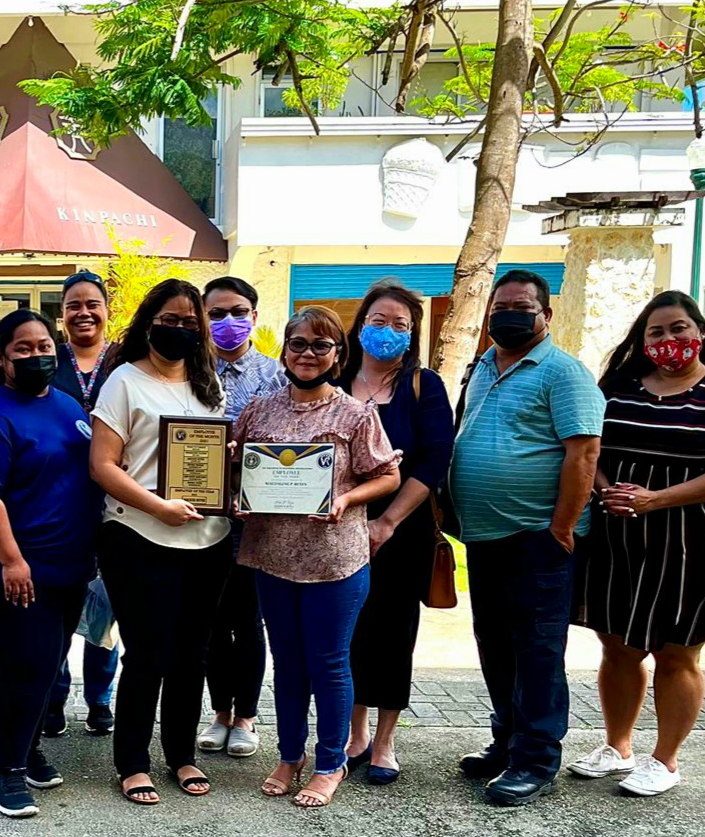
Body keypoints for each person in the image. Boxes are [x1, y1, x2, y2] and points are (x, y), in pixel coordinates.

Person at [568, 291, 705, 797]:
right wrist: (604, 488)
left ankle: (665, 758)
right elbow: (588, 447)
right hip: (619, 536)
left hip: (698, 540)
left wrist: (656, 499)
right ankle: (618, 746)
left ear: (699, 333)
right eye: (655, 332)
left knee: (676, 651)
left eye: (678, 329)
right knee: (618, 645)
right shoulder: (616, 389)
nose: (668, 340)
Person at [449, 269, 605, 806]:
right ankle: (507, 742)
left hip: (539, 539)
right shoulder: (484, 367)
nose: (507, 316)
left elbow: (583, 453)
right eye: (500, 308)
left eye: (521, 307)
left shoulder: (565, 373)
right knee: (495, 644)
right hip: (487, 538)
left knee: (537, 650)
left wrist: (562, 527)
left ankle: (536, 759)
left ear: (546, 315)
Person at [235, 306, 400, 808]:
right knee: (287, 664)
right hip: (271, 557)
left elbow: (387, 474)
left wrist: (348, 499)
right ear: (284, 349)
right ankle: (290, 755)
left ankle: (331, 761)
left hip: (335, 561)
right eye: (298, 344)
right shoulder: (260, 410)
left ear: (336, 354)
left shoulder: (355, 414)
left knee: (328, 663)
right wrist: (238, 492)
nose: (308, 354)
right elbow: (235, 464)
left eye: (320, 345)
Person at [0, 310, 101, 818]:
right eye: (23, 349)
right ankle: (6, 772)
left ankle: (29, 749)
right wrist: (12, 561)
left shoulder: (66, 404)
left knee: (48, 667)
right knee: (24, 668)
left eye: (43, 346)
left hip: (67, 567)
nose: (37, 356)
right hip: (10, 571)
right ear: (3, 357)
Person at [90, 278, 232, 804]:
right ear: (149, 322)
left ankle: (181, 755)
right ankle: (131, 761)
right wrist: (159, 507)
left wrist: (232, 490)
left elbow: (216, 460)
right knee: (147, 654)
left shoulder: (207, 384)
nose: (180, 329)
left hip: (208, 540)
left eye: (190, 323)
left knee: (191, 655)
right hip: (137, 535)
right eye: (170, 320)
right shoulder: (123, 382)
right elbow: (102, 465)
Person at [337, 281, 455, 785]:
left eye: (401, 325)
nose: (387, 332)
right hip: (335, 527)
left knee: (393, 630)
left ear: (413, 335)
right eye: (379, 320)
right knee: (348, 632)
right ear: (362, 322)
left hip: (401, 528)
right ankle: (354, 732)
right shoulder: (335, 376)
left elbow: (434, 459)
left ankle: (385, 739)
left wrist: (387, 522)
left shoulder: (423, 386)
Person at [195, 276, 283, 760]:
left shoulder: (276, 376)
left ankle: (246, 716)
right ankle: (219, 713)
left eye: (237, 311)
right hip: (197, 516)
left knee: (248, 622)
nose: (227, 322)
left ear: (254, 314)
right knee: (210, 619)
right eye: (216, 313)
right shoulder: (188, 374)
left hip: (255, 520)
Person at [46, 269, 121, 737]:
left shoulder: (126, 363)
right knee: (57, 608)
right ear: (63, 314)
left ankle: (99, 698)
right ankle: (53, 697)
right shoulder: (47, 361)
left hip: (117, 502)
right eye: (73, 304)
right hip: (59, 501)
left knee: (108, 606)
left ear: (107, 310)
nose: (84, 312)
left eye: (92, 303)